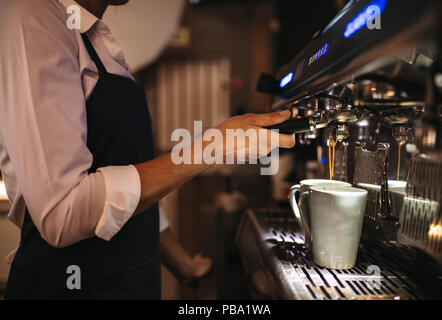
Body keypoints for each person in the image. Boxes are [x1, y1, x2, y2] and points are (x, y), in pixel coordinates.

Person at [0, 0, 294, 299]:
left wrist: (182, 262)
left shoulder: (95, 40)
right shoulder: (34, 12)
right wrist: (211, 148)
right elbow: (63, 211)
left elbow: (125, 175)